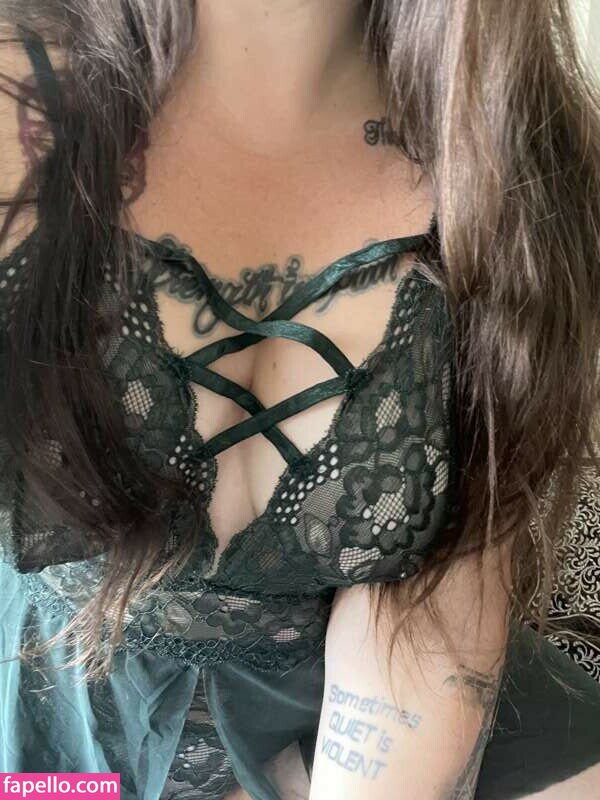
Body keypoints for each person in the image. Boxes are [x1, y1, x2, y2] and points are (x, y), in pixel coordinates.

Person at [0, 1, 599, 798]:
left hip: (354, 710)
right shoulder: (19, 94)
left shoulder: (512, 157)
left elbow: (426, 622)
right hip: (58, 703)